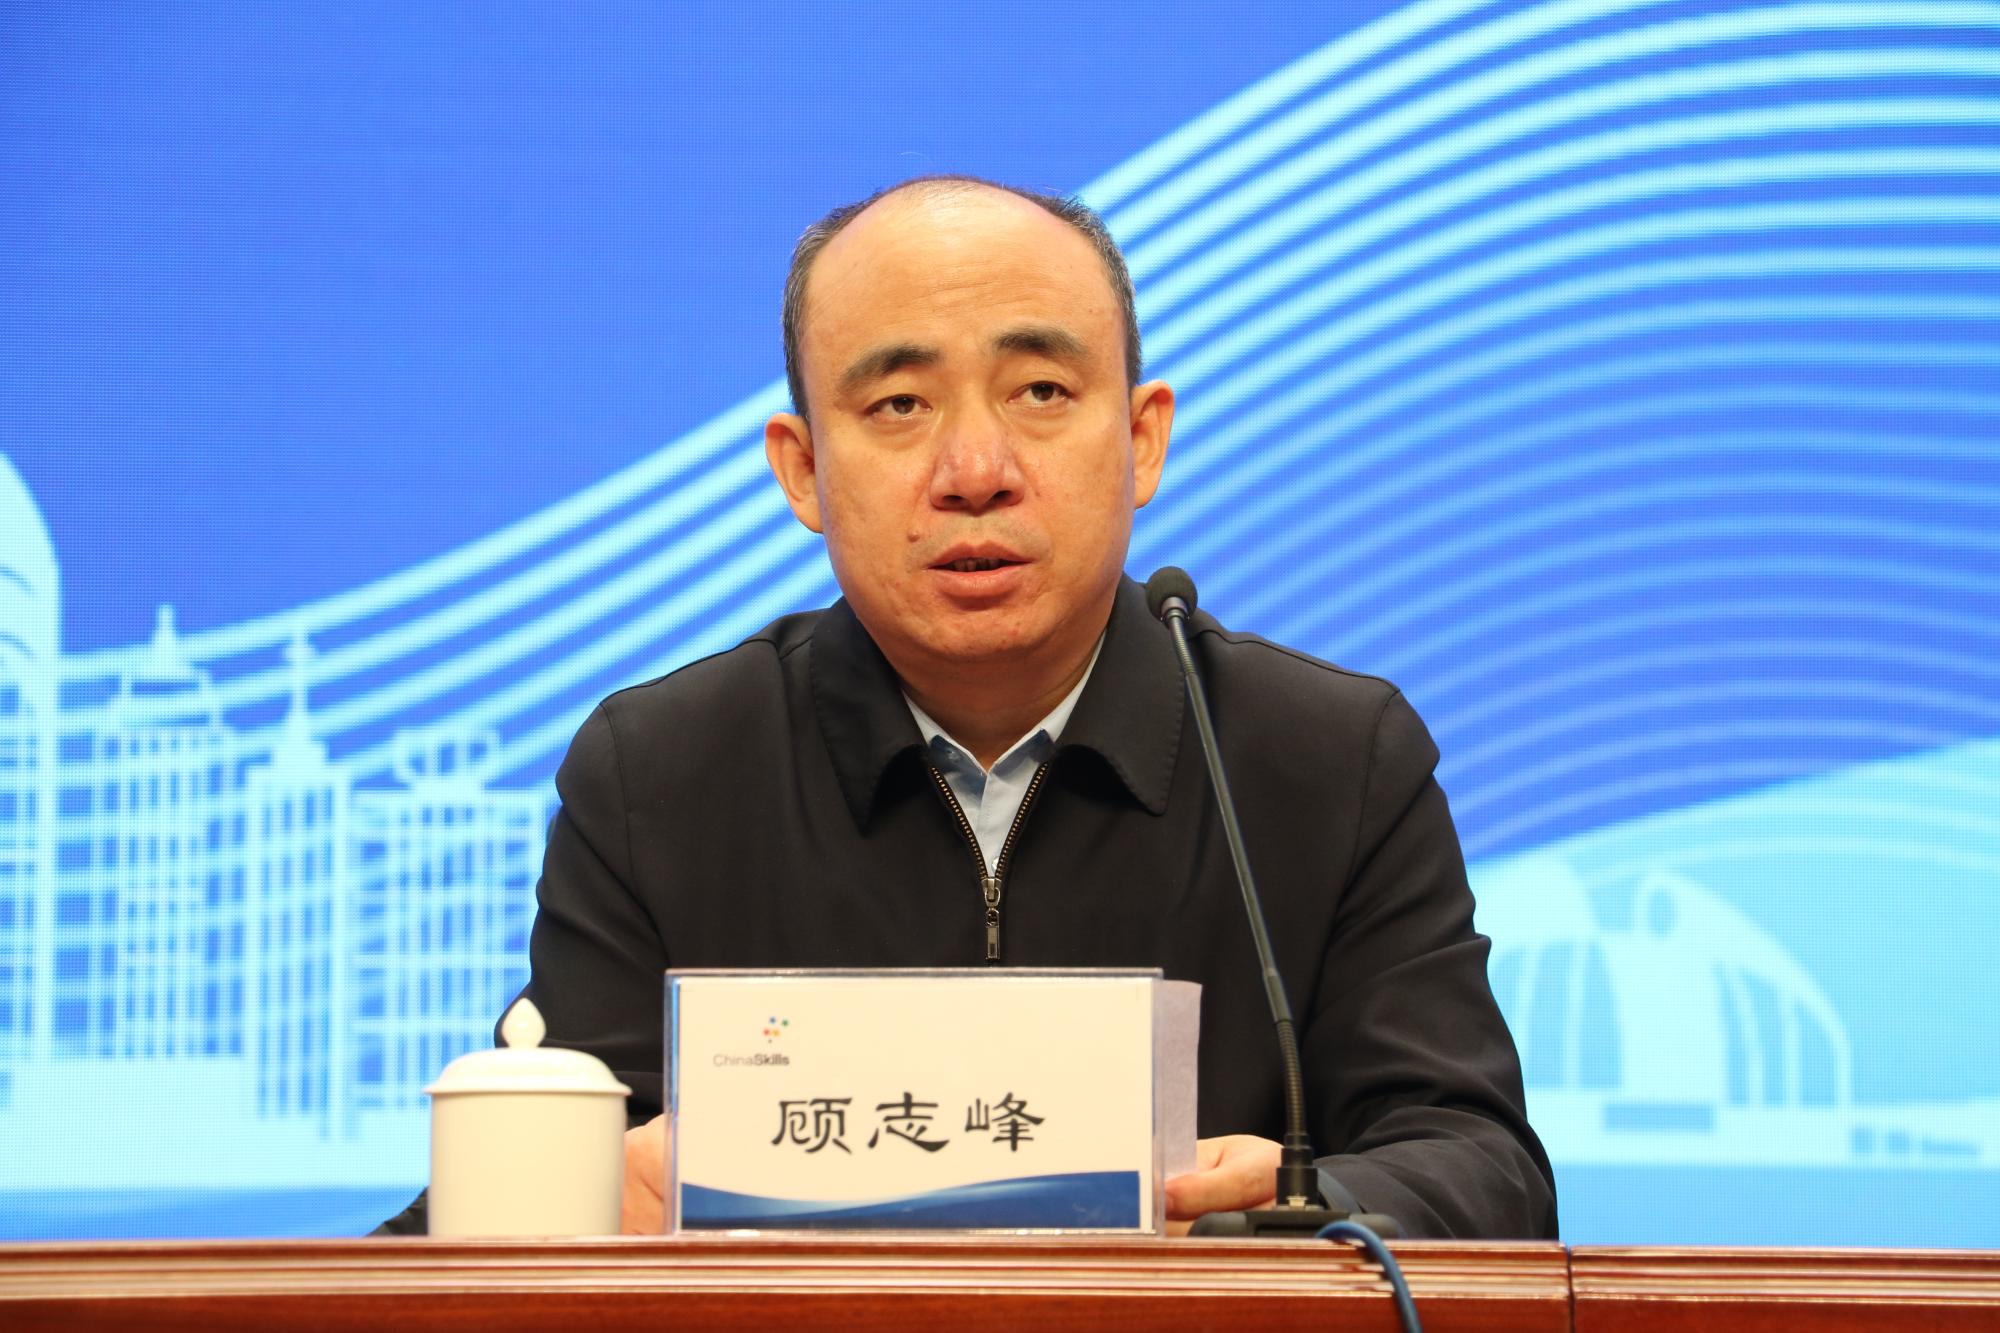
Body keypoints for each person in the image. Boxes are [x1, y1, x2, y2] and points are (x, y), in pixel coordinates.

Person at [377, 175, 1556, 1238]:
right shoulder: (662, 773)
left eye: (1040, 390)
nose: (974, 471)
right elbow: (497, 1203)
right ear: (801, 469)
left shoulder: (1326, 760)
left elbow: (1479, 1163)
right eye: (899, 405)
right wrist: (584, 1193)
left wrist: (1308, 1205)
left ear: (1140, 440)